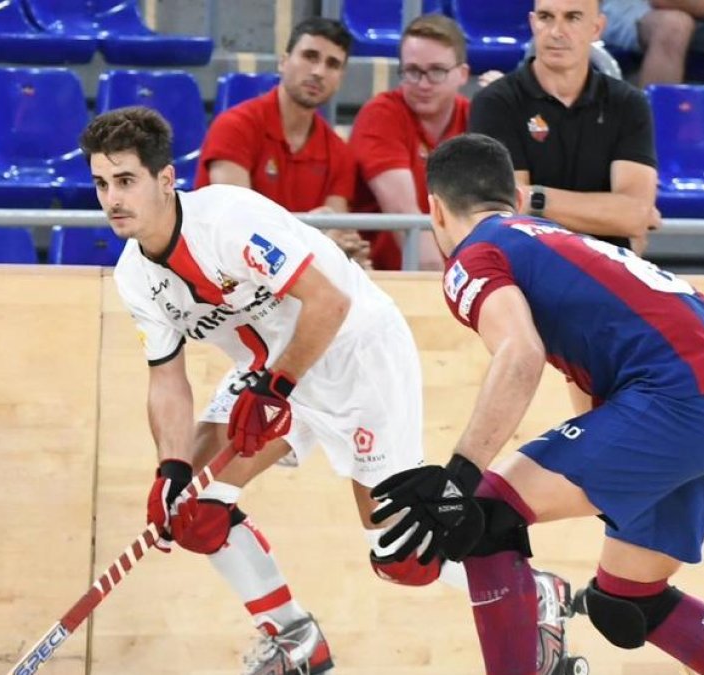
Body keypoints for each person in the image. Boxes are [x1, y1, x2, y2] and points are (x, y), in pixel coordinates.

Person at [370, 133, 704, 675]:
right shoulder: (558, 241)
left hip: (675, 401)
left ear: (435, 211)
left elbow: (521, 354)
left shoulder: (476, 254)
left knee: (484, 516)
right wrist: (599, 459)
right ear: (516, 199)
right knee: (628, 601)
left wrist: (460, 475)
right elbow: (593, 377)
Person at [82, 105, 450, 675]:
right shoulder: (136, 276)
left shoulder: (227, 220)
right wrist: (171, 467)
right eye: (102, 183)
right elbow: (166, 378)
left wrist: (276, 385)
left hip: (354, 351)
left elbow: (329, 303)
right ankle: (294, 640)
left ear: (165, 178)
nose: (112, 199)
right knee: (194, 510)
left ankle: (523, 584)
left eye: (126, 180)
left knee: (399, 552)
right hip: (273, 372)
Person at [470, 0, 661, 258]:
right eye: (546, 17)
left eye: (572, 18)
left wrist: (535, 197)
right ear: (532, 23)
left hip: (610, 275)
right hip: (527, 270)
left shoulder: (628, 103)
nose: (557, 31)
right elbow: (507, 210)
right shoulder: (495, 102)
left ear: (597, 28)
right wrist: (607, 213)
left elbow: (634, 214)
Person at [195, 17, 370, 267]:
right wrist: (313, 234)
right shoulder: (234, 127)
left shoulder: (339, 152)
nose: (318, 71)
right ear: (284, 62)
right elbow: (237, 226)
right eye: (310, 56)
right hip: (223, 277)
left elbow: (334, 231)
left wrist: (343, 248)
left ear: (340, 78)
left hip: (298, 280)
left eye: (332, 64)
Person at [348, 13, 471, 270]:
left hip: (459, 278)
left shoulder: (475, 117)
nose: (423, 84)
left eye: (436, 71)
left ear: (462, 74)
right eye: (413, 71)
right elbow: (407, 220)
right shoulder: (381, 115)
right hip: (387, 280)